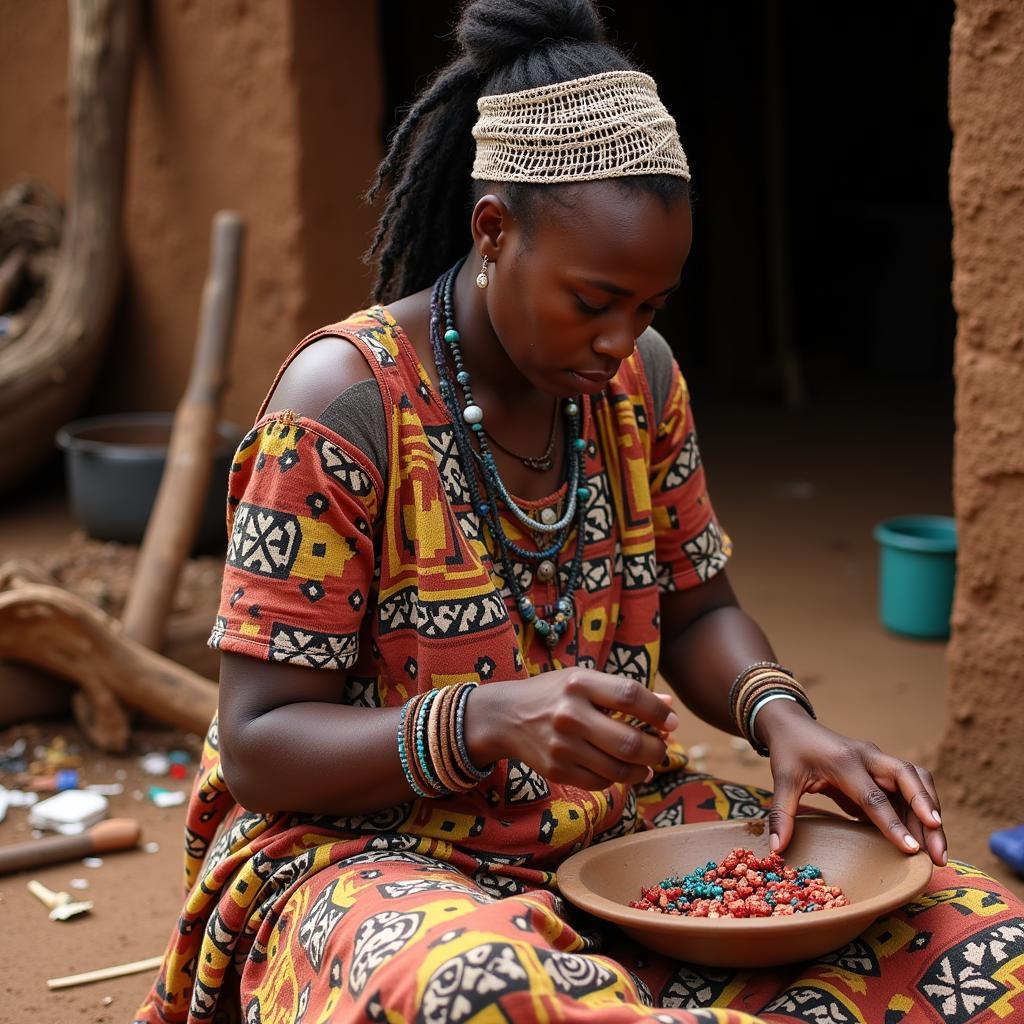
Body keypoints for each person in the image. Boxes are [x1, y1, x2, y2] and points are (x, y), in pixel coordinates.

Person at [136, 2, 1023, 1022]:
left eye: (648, 308)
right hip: (367, 857)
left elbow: (697, 609)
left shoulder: (639, 383)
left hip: (605, 833)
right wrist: (483, 718)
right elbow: (257, 746)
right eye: (593, 299)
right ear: (492, 230)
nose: (619, 339)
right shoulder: (340, 409)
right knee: (478, 997)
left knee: (979, 937)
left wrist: (781, 719)